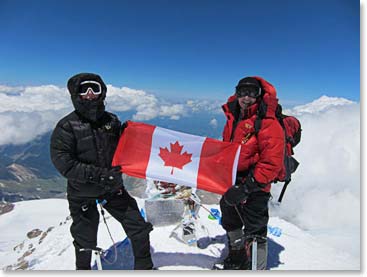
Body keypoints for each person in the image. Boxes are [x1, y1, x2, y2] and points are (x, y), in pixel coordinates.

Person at [50, 73, 154, 270]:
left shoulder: (111, 121)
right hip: (82, 193)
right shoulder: (66, 126)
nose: (90, 94)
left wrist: (132, 135)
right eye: (84, 89)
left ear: (102, 92)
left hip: (112, 188)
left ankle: (145, 268)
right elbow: (64, 163)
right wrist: (99, 175)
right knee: (84, 240)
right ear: (75, 94)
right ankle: (83, 270)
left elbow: (124, 147)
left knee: (139, 228)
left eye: (94, 89)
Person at [220, 76, 285, 270]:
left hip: (255, 185)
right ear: (236, 93)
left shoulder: (267, 123)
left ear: (259, 95)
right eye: (242, 92)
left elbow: (271, 163)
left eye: (252, 93)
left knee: (255, 229)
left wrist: (247, 187)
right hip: (233, 181)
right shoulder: (234, 117)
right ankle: (237, 254)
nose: (246, 97)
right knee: (229, 216)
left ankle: (257, 268)